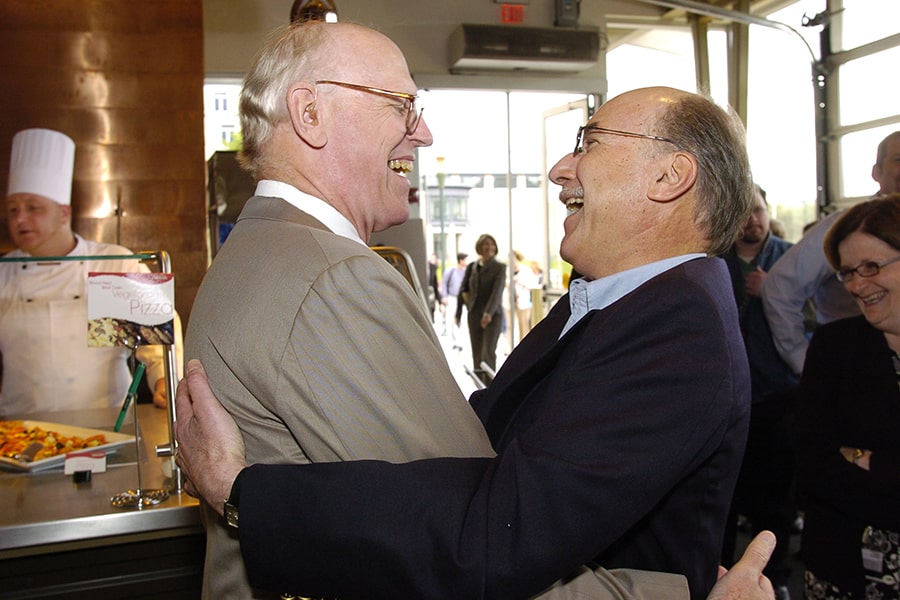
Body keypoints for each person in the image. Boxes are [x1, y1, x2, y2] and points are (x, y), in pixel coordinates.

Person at [176, 86, 755, 600]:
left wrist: (242, 492)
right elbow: (488, 432)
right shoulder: (616, 300)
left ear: (668, 176)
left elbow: (497, 537)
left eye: (589, 141)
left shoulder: (679, 328)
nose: (560, 168)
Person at [184, 21, 502, 600]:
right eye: (402, 105)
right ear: (309, 114)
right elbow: (475, 535)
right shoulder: (335, 278)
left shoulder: (251, 249)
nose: (423, 133)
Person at [0, 128, 179, 416]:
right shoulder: (4, 275)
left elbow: (154, 340)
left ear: (63, 213)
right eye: (12, 210)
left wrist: (162, 380)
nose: (20, 219)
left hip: (106, 429)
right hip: (20, 432)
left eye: (33, 208)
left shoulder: (110, 265)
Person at [792, 196, 900, 599]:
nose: (857, 285)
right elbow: (813, 467)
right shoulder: (834, 347)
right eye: (848, 272)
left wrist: (870, 462)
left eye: (871, 267)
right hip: (844, 570)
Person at [761, 131, 900, 375]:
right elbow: (779, 285)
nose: (858, 284)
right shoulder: (847, 228)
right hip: (858, 366)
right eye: (899, 159)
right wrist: (804, 361)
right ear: (876, 173)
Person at [719, 185, 797, 598]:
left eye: (760, 210)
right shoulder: (715, 260)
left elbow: (822, 317)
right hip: (728, 404)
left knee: (775, 502)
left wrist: (774, 294)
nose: (753, 219)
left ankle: (776, 578)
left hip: (778, 400)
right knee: (724, 498)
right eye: (745, 211)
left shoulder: (790, 260)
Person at [458, 233, 506, 383]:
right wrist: (463, 308)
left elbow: (497, 292)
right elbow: (463, 288)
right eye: (486, 244)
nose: (489, 247)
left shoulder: (499, 267)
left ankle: (489, 388)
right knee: (477, 353)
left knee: (488, 353)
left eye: (492, 244)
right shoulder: (472, 266)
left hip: (492, 315)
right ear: (479, 247)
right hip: (474, 313)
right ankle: (478, 386)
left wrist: (488, 314)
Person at [441, 251, 468, 349]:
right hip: (452, 297)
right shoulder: (451, 271)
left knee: (461, 319)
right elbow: (444, 284)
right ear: (461, 260)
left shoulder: (466, 272)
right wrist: (444, 296)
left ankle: (459, 341)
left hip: (462, 299)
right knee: (451, 319)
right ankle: (454, 341)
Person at [513, 249, 540, 342]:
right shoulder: (509, 270)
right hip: (513, 302)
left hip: (524, 302)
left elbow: (533, 284)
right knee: (515, 327)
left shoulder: (525, 270)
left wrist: (520, 282)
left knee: (524, 326)